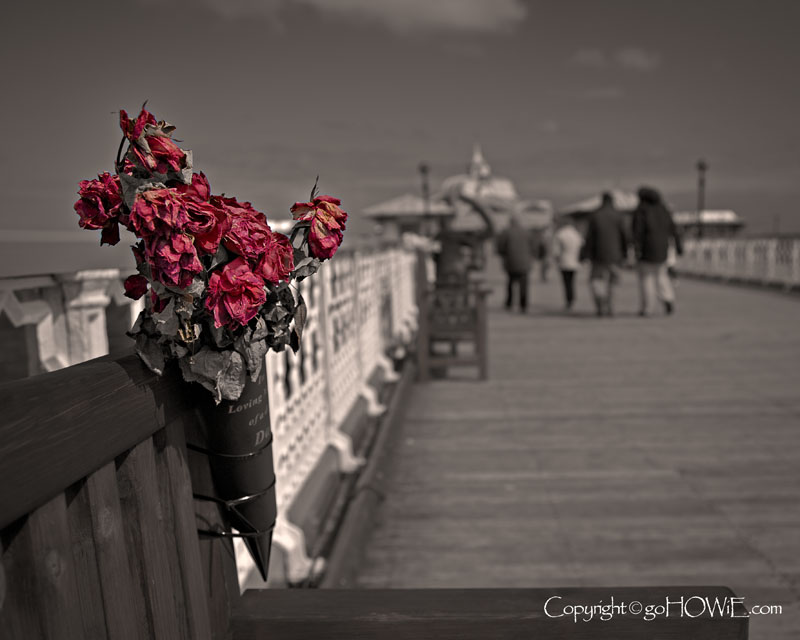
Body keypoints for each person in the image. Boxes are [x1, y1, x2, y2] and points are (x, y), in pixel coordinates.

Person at [631, 186, 683, 316]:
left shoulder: (642, 210)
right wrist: (678, 246)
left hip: (647, 249)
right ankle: (668, 298)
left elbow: (637, 231)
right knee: (661, 275)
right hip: (662, 249)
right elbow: (674, 229)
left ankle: (648, 308)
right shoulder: (663, 209)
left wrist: (635, 247)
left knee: (646, 278)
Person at [581, 192, 628, 316]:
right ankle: (612, 308)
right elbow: (625, 237)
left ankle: (600, 301)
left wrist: (585, 254)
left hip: (598, 256)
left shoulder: (595, 216)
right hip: (616, 256)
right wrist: (625, 254)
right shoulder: (619, 216)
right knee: (614, 282)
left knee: (596, 280)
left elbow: (589, 238)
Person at [496, 213, 538, 312]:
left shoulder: (506, 232)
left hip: (511, 261)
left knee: (511, 283)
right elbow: (533, 246)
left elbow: (501, 247)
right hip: (525, 262)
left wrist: (503, 255)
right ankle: (523, 304)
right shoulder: (527, 232)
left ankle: (509, 302)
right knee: (524, 284)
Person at [551, 217, 583, 310]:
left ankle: (569, 299)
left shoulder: (560, 234)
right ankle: (572, 298)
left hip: (564, 261)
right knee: (572, 281)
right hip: (575, 261)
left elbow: (556, 251)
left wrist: (556, 260)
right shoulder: (576, 234)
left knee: (566, 282)